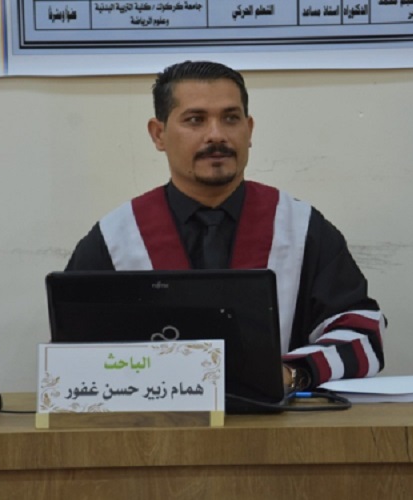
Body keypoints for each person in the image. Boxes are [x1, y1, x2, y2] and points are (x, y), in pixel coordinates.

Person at [65, 60, 385, 392]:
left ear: (249, 130)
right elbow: (72, 354)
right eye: (195, 120)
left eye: (230, 119)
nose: (216, 135)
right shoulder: (117, 240)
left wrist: (291, 375)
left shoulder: (300, 230)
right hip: (153, 436)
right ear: (158, 135)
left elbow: (363, 338)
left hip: (281, 435)